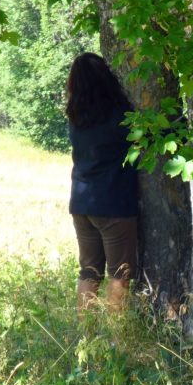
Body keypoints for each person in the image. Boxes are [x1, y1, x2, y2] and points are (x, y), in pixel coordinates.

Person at [66, 52, 138, 313]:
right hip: (113, 204)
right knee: (120, 273)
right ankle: (117, 340)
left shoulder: (76, 119)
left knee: (89, 271)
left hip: (82, 203)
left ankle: (88, 337)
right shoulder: (119, 116)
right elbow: (152, 135)